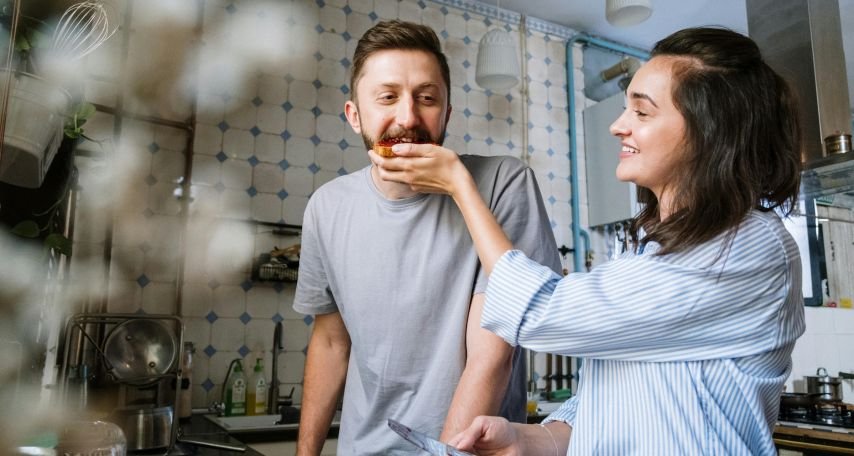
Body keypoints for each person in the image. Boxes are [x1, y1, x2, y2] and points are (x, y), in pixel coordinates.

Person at [372, 26, 806, 455]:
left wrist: (462, 188)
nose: (618, 126)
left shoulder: (750, 247)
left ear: (709, 132)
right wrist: (527, 438)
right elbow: (609, 406)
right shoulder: (645, 244)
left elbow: (543, 313)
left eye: (642, 112)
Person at [293, 20, 561, 455]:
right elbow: (329, 341)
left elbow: (491, 357)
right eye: (387, 97)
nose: (408, 118)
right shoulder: (326, 208)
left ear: (447, 113)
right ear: (354, 115)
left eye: (427, 98)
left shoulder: (503, 184)